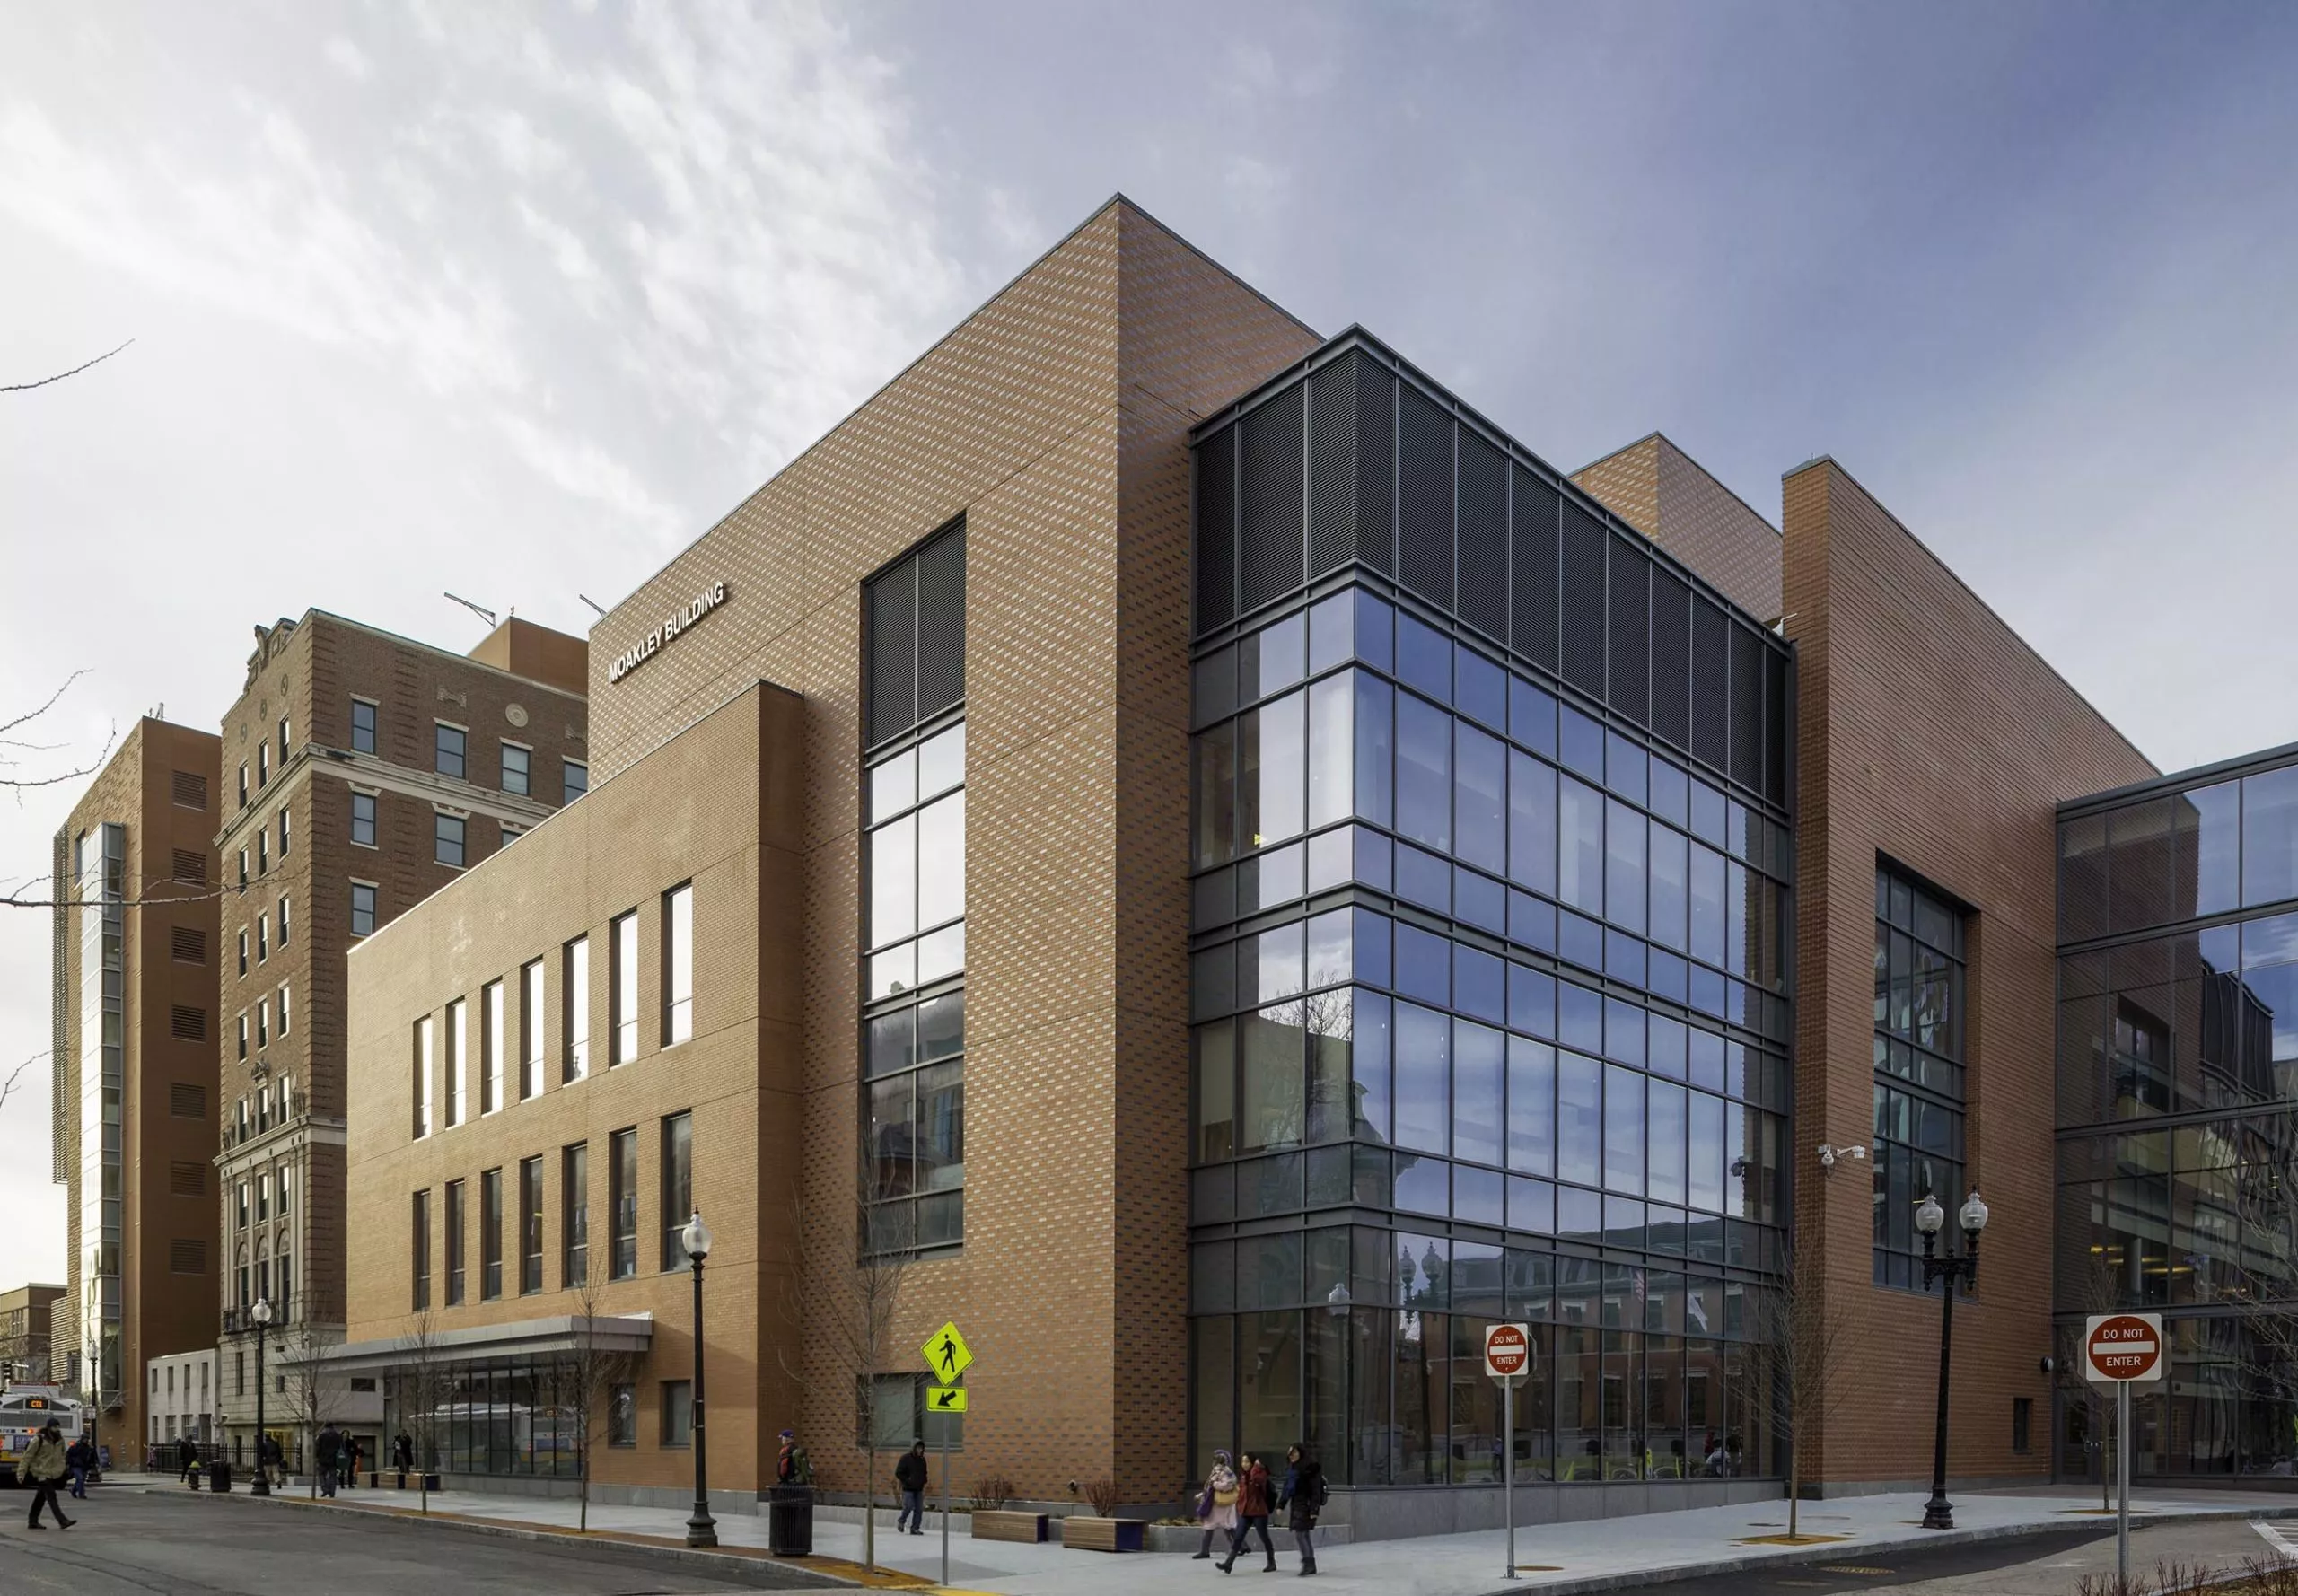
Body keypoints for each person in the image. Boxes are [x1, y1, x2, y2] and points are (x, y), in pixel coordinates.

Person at [1216, 1451, 1275, 1574]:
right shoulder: (1243, 1476)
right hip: (1245, 1511)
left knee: (1264, 1537)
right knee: (1238, 1538)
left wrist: (1255, 1469)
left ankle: (1271, 1562)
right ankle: (1228, 1564)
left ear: (1253, 1462)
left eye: (1247, 1461)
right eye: (1243, 1461)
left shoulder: (1260, 1473)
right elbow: (1242, 1493)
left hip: (1259, 1511)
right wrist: (1239, 1504)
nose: (1244, 1464)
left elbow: (1259, 1481)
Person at [1278, 1443, 1326, 1577]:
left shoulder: (1311, 1468)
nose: (1292, 1457)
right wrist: (1281, 1505)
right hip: (1297, 1505)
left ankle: (1308, 1563)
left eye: (1294, 1453)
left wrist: (1314, 1509)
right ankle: (1310, 1564)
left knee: (1300, 1534)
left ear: (1300, 1453)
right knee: (1303, 1535)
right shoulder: (1292, 1470)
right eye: (1290, 1455)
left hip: (1306, 1505)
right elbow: (1287, 1489)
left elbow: (1316, 1490)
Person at [23, 1421, 73, 1530]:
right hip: (40, 1471)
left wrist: (61, 1467)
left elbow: (62, 1455)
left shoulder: (59, 1440)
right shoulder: (39, 1439)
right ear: (49, 1427)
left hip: (51, 1472)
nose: (57, 1429)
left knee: (40, 1498)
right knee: (51, 1496)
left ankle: (33, 1521)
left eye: (58, 1427)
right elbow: (27, 1457)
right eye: (54, 1427)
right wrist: (21, 1473)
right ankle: (62, 1520)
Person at [1192, 1449, 1239, 1559]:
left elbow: (1227, 1485)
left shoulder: (1225, 1472)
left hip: (1221, 1505)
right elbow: (1208, 1489)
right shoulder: (1218, 1471)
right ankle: (1239, 1547)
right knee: (1224, 1527)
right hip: (1216, 1504)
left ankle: (1237, 1547)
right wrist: (1201, 1495)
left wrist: (1215, 1483)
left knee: (1220, 1527)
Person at [894, 1438, 929, 1535]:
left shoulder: (922, 1460)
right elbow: (898, 1473)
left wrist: (924, 1481)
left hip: (919, 1488)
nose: (920, 1450)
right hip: (908, 1488)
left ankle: (915, 1528)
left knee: (919, 1509)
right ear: (914, 1448)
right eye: (918, 1448)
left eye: (921, 1448)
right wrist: (907, 1480)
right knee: (909, 1506)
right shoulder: (905, 1458)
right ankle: (901, 1520)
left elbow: (924, 1473)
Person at [315, 1422, 342, 1498]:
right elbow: (341, 1447)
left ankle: (325, 1488)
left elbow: (318, 1447)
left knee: (321, 1474)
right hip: (334, 1459)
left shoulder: (321, 1436)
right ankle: (332, 1492)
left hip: (323, 1458)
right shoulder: (338, 1436)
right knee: (333, 1476)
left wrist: (316, 1456)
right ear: (332, 1427)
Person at [65, 1434, 93, 1498]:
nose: (86, 1440)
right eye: (85, 1439)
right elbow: (68, 1455)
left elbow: (92, 1457)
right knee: (80, 1478)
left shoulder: (89, 1448)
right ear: (82, 1439)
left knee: (81, 1480)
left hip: (85, 1466)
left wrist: (93, 1464)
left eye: (87, 1439)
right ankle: (81, 1494)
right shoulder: (75, 1446)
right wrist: (68, 1463)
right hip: (76, 1465)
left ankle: (73, 1490)